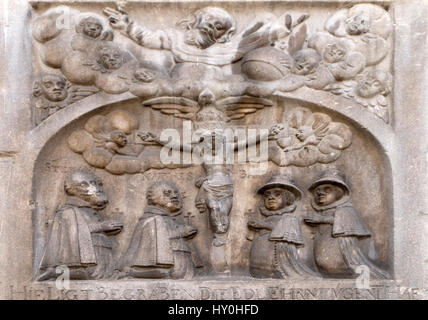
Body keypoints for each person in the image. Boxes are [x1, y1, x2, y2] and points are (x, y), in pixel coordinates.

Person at [37, 171, 123, 280]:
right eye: (85, 184)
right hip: (87, 260)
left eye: (95, 183)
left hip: (103, 256)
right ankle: (55, 273)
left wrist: (106, 229)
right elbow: (75, 231)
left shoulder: (88, 210)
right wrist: (101, 227)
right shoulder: (68, 212)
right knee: (89, 275)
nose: (96, 187)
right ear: (73, 190)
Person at [304, 169, 389, 278]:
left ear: (338, 192)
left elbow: (345, 222)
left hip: (341, 259)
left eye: (327, 189)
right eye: (318, 190)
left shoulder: (346, 209)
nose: (320, 193)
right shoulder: (323, 211)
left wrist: (322, 219)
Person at [121, 181, 199, 279]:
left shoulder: (167, 219)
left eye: (175, 193)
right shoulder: (154, 219)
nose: (174, 196)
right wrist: (181, 232)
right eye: (167, 193)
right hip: (168, 270)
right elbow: (160, 238)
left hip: (182, 270)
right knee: (163, 273)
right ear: (155, 198)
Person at [247, 175, 320, 279]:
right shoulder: (266, 218)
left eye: (277, 194)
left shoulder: (289, 218)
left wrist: (263, 225)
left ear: (289, 199)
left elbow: (283, 231)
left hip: (277, 264)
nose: (271, 197)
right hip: (257, 268)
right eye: (267, 195)